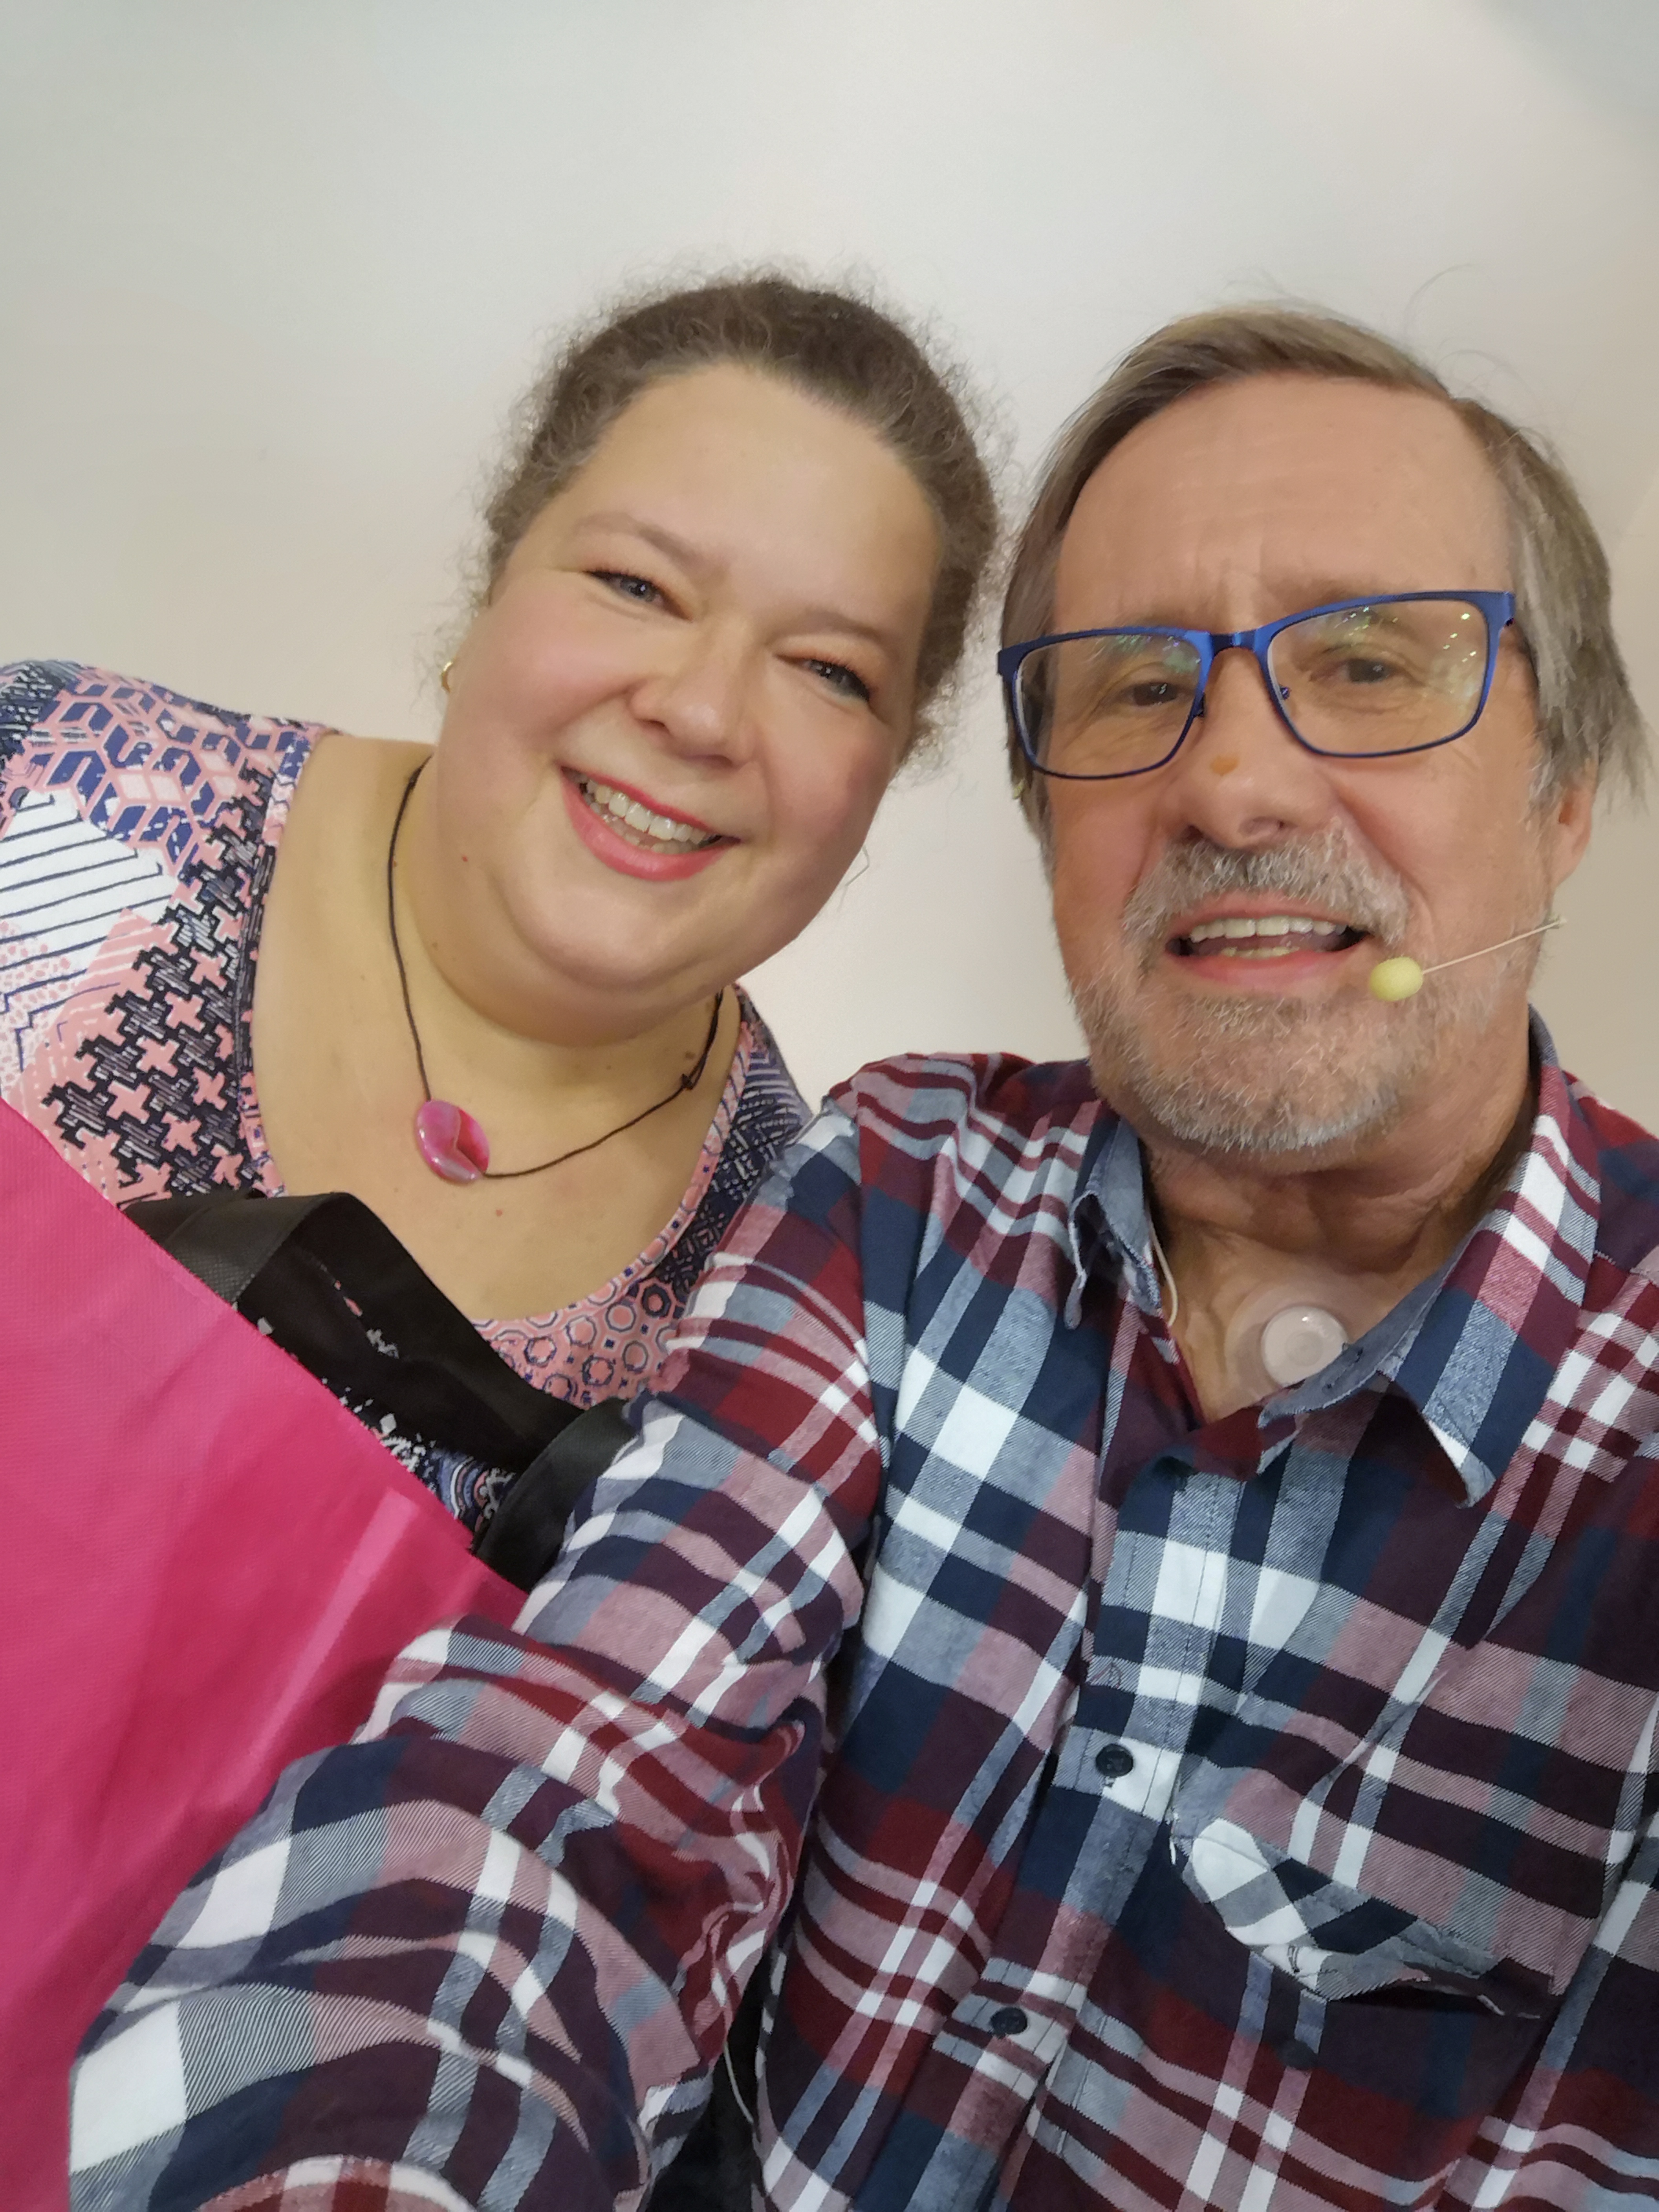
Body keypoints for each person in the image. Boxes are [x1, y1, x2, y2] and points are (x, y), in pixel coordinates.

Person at [70, 305, 1659, 2212]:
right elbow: (577, 1777)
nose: (1236, 786)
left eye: (1371, 663)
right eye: (1135, 688)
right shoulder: (903, 1189)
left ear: (1569, 786)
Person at [0, 273, 995, 1527]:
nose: (702, 712)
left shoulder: (782, 1293)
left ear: (887, 770)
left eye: (827, 670)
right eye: (638, 586)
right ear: (494, 584)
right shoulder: (50, 783)